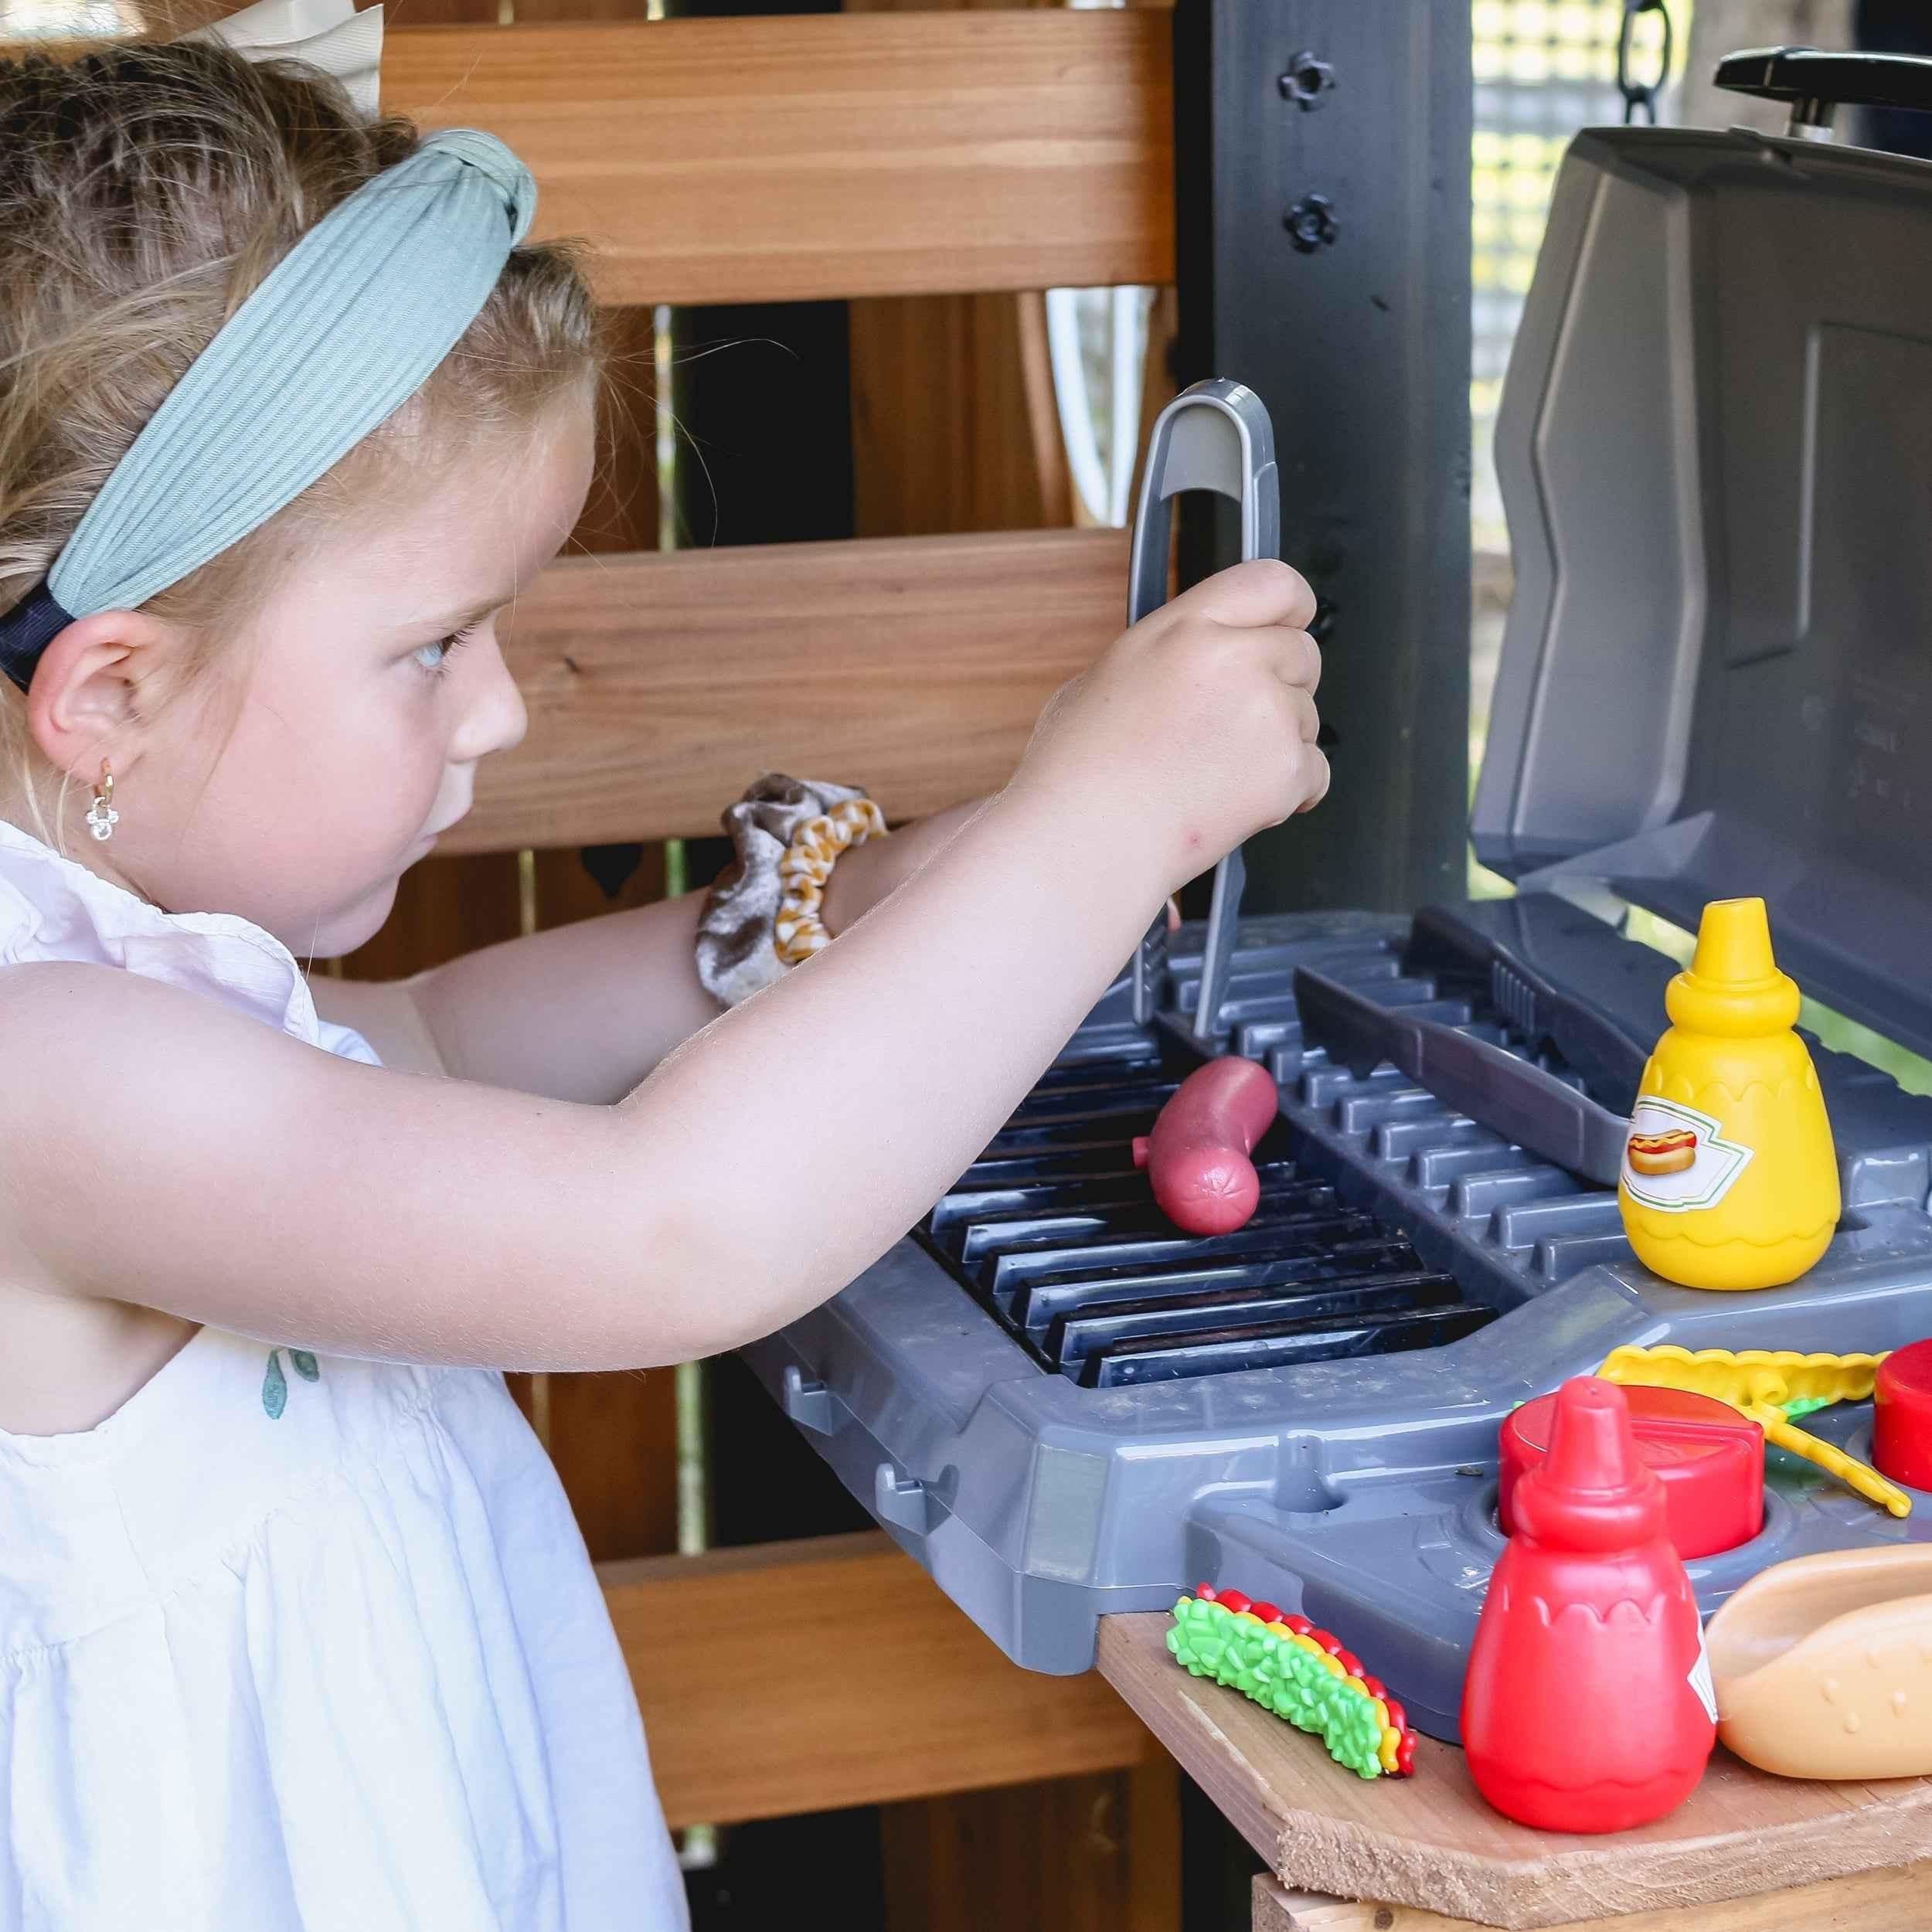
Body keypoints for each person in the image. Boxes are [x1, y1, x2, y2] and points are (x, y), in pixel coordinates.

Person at [0, 18, 1328, 1930]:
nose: (504, 704)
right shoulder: (48, 1077)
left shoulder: (128, 996)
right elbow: (670, 1231)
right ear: (110, 690)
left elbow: (434, 1043)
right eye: (435, 642)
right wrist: (1095, 822)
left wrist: (846, 912)